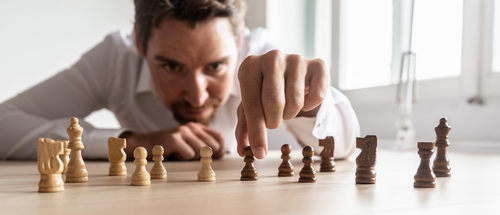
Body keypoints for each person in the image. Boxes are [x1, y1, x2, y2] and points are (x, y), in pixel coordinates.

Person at [0, 0, 359, 160]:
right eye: (172, 67)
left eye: (216, 66)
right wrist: (131, 142)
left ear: (238, 43)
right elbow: (3, 125)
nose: (197, 94)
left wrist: (312, 107)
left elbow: (346, 146)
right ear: (139, 43)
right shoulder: (115, 59)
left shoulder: (263, 55)